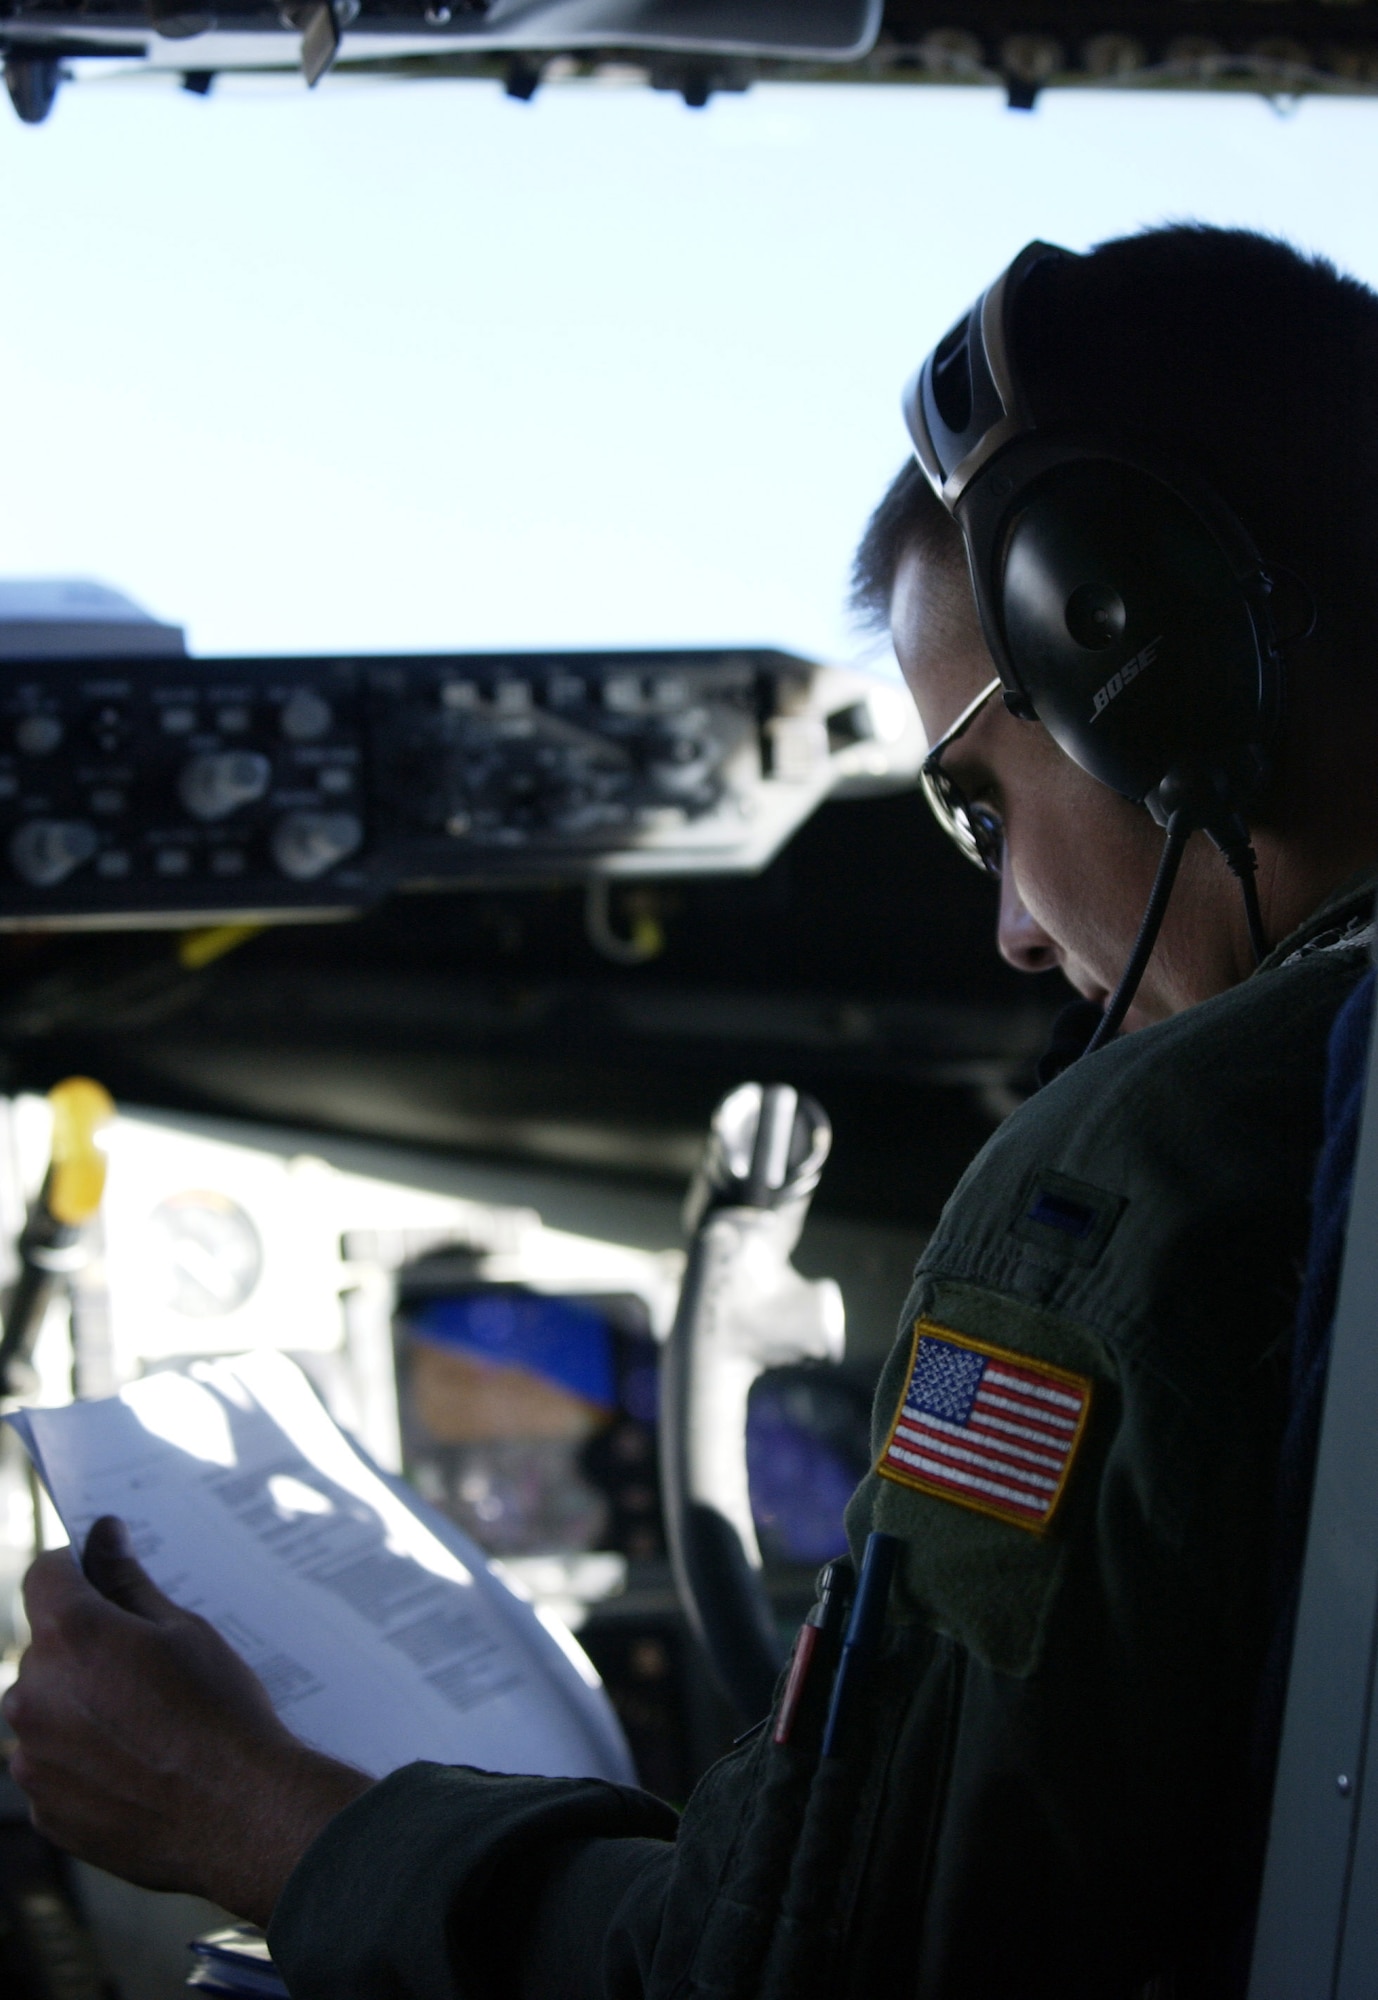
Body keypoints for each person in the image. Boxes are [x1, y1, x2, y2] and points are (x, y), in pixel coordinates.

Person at [6, 223, 1378, 2000]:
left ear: (1136, 663)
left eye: (976, 798)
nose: (1015, 928)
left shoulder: (1154, 1173)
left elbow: (800, 1975)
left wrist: (258, 1810)